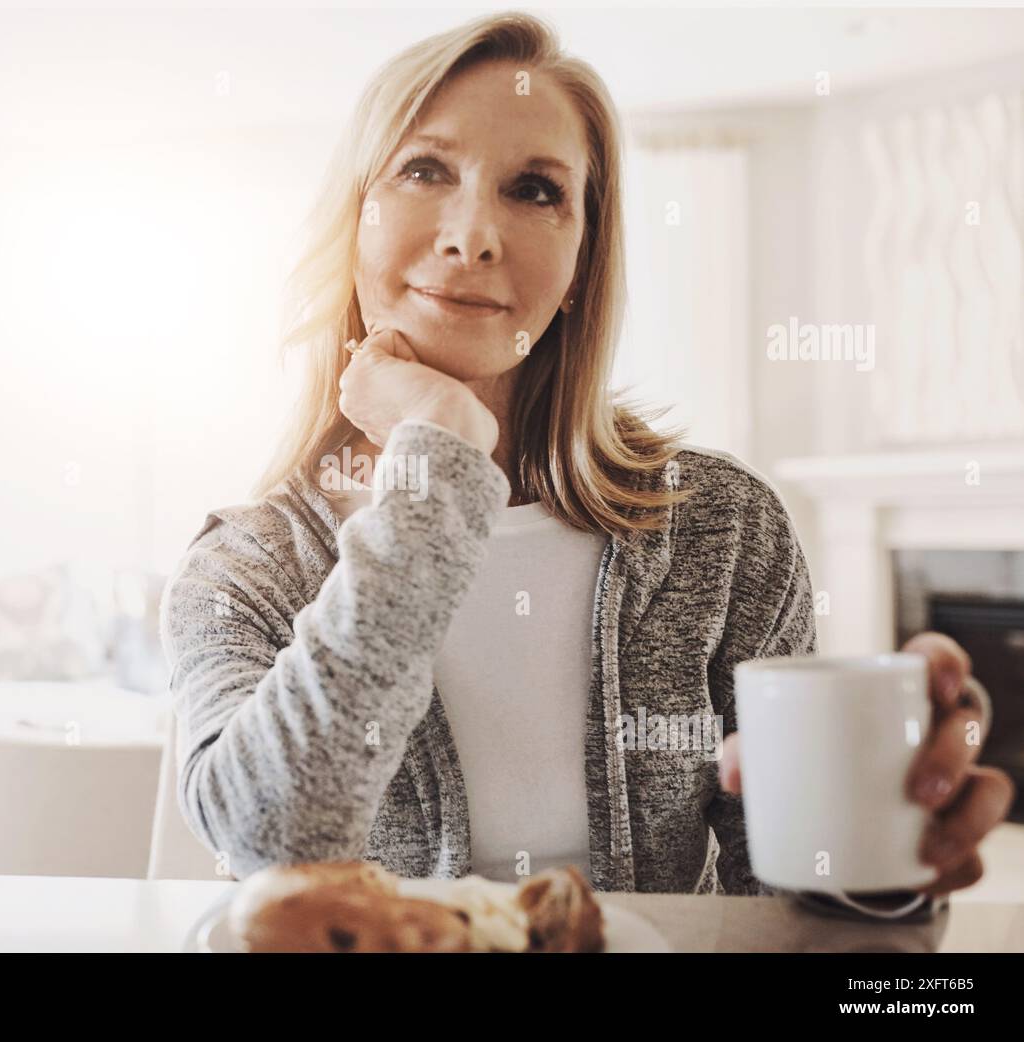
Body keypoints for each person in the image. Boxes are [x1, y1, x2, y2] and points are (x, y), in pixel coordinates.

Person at [159, 11, 1013, 898]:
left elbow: (790, 900)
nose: (472, 236)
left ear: (580, 259)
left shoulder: (722, 530)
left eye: (535, 189)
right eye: (424, 169)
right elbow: (277, 843)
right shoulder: (246, 568)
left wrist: (883, 850)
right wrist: (440, 462)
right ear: (355, 225)